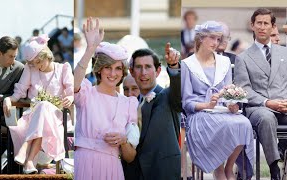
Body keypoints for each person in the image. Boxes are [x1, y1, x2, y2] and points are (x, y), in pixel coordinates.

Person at [182, 21, 254, 180]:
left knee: (244, 124)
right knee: (220, 125)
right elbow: (187, 102)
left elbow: (228, 91)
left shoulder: (225, 62)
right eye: (212, 38)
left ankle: (229, 167)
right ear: (201, 39)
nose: (216, 43)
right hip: (200, 113)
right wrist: (207, 105)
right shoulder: (187, 64)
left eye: (219, 39)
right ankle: (218, 168)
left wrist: (232, 104)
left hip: (222, 110)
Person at [74, 17, 139, 180]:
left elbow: (130, 157)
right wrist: (90, 48)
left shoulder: (128, 103)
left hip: (112, 168)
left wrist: (124, 141)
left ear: (123, 72)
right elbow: (72, 83)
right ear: (99, 70)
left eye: (118, 68)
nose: (113, 73)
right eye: (107, 67)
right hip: (85, 163)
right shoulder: (87, 93)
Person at [3, 34, 74, 174]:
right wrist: (8, 99)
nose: (36, 66)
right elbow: (20, 91)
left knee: (43, 106)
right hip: (33, 117)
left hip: (58, 118)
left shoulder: (63, 69)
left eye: (38, 62)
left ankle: (25, 149)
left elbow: (72, 92)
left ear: (46, 56)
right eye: (32, 63)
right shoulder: (31, 69)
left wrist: (70, 98)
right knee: (41, 108)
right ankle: (29, 162)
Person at [234, 8, 287, 180]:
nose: (262, 27)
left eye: (266, 23)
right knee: (266, 118)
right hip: (259, 108)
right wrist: (267, 102)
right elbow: (244, 89)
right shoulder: (243, 58)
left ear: (273, 27)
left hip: (284, 105)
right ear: (252, 25)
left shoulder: (285, 53)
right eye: (259, 23)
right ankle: (274, 169)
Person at [123, 42, 181, 179]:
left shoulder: (169, 96)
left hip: (163, 173)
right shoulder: (127, 104)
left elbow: (178, 90)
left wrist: (174, 66)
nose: (143, 73)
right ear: (131, 71)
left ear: (158, 71)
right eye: (138, 67)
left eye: (148, 67)